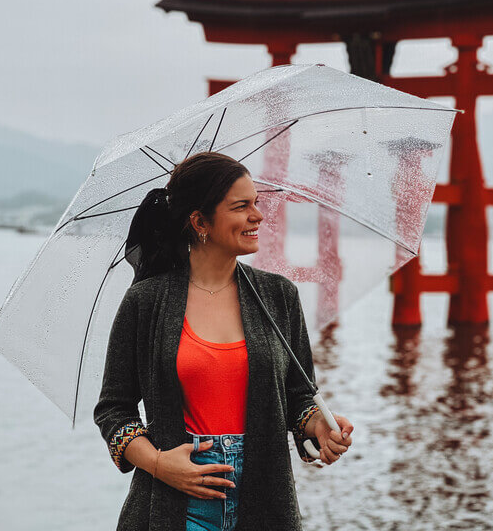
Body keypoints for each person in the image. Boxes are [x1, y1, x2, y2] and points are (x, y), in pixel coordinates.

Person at [94, 152, 354, 531]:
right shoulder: (146, 302)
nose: (258, 216)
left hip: (264, 498)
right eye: (241, 206)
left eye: (257, 203)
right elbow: (114, 409)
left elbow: (298, 398)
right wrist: (158, 464)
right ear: (200, 221)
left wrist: (318, 428)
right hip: (177, 500)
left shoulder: (278, 295)